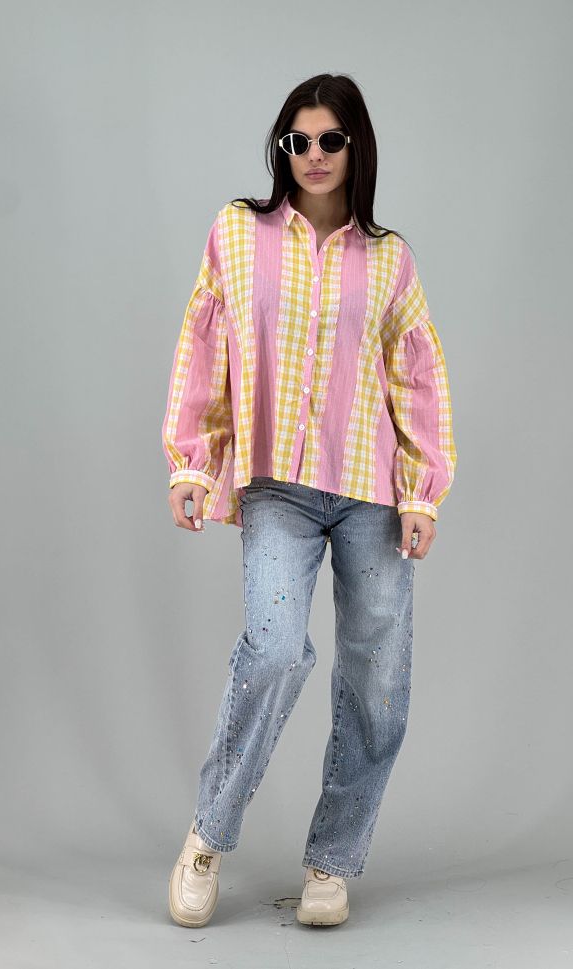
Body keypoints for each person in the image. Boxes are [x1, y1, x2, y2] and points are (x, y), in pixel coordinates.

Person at [162, 72, 457, 928]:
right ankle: (207, 832)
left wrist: (423, 491)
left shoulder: (390, 257)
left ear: (356, 147)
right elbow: (202, 345)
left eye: (330, 140)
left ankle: (331, 861)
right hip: (276, 488)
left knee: (377, 674)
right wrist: (191, 462)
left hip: (371, 490)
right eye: (299, 140)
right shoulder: (237, 232)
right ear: (281, 149)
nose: (314, 155)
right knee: (275, 647)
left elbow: (418, 373)